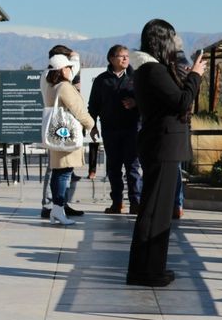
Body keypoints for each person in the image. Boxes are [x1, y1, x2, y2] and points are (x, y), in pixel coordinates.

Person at [126, 19, 205, 287]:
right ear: (161, 40)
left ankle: (148, 268)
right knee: (155, 211)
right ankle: (148, 271)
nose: (176, 43)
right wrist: (195, 75)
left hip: (161, 144)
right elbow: (181, 100)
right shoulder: (152, 70)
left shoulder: (151, 69)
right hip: (162, 145)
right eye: (172, 38)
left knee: (155, 210)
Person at [88, 44, 141, 214]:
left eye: (127, 55)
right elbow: (93, 105)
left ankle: (136, 203)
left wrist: (135, 103)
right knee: (114, 168)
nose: (126, 58)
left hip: (132, 129)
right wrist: (92, 126)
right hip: (110, 130)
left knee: (132, 167)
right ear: (111, 59)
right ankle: (117, 203)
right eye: (121, 56)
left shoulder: (136, 78)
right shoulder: (101, 80)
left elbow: (147, 101)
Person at [42, 54, 94, 225]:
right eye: (69, 67)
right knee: (64, 174)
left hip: (57, 134)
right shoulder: (64, 87)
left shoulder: (51, 86)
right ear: (63, 69)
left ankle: (57, 210)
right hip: (67, 136)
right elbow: (78, 110)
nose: (71, 70)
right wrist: (91, 124)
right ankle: (58, 209)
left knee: (58, 172)